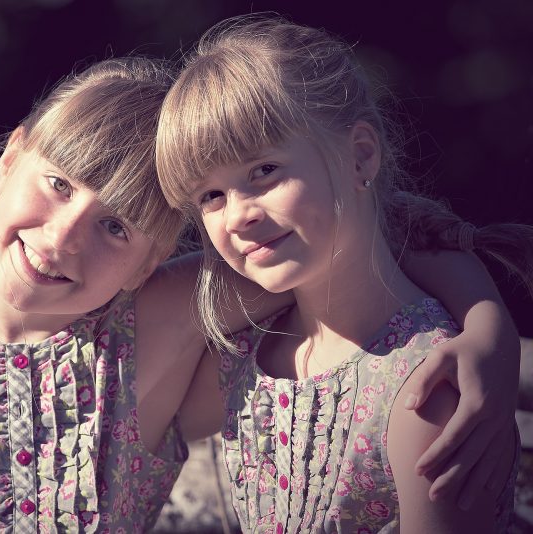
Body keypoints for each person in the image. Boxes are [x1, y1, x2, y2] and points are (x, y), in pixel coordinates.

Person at [0, 55, 515, 534]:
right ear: (10, 159)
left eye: (116, 226)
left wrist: (490, 333)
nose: (66, 238)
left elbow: (358, 235)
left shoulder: (157, 320)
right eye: (58, 183)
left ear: (150, 261)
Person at [154, 15, 530, 532]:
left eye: (263, 171)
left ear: (360, 156)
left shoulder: (427, 393)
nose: (239, 215)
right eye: (210, 196)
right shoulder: (243, 359)